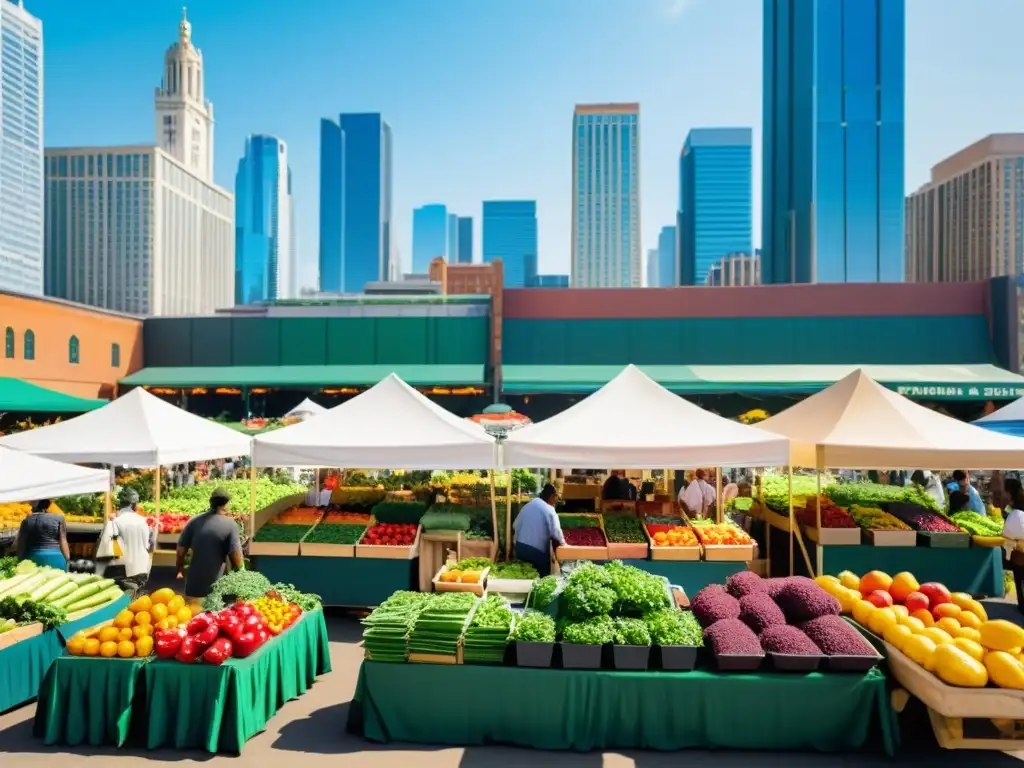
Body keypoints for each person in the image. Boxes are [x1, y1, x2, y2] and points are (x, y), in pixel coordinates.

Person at [175, 487, 244, 601]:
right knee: (213, 616)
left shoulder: (194, 521)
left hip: (193, 585)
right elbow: (237, 556)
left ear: (210, 502)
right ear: (226, 504)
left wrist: (179, 569)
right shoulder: (230, 524)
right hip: (216, 587)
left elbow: (181, 551)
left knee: (193, 615)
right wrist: (241, 571)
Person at [99, 488, 154, 598]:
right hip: (142, 568)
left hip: (122, 569)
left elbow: (105, 548)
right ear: (134, 505)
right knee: (137, 599)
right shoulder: (143, 521)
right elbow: (148, 545)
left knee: (122, 600)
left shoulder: (115, 522)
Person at [512, 484, 565, 577]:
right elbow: (556, 531)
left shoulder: (529, 504)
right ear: (552, 496)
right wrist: (564, 544)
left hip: (520, 548)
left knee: (524, 575)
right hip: (536, 552)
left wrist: (515, 543)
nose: (556, 500)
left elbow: (515, 525)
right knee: (542, 578)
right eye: (556, 497)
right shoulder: (550, 509)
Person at [16, 499, 70, 570]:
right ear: (48, 506)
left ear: (34, 507)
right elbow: (63, 540)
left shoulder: (27, 521)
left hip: (34, 558)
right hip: (56, 557)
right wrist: (67, 560)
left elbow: (21, 543)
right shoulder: (59, 518)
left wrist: (19, 560)